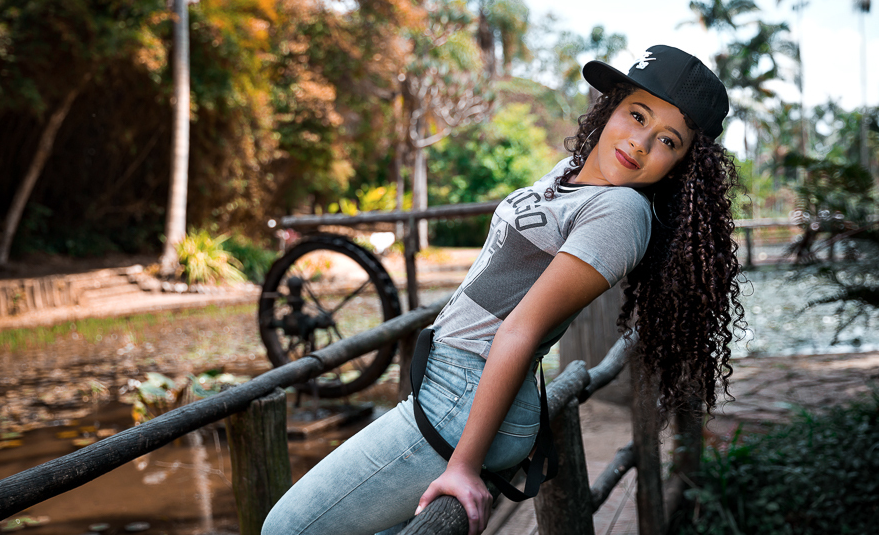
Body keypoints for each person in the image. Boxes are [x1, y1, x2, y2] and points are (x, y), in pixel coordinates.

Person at [261, 44, 745, 535]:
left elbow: (522, 329)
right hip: (454, 385)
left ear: (680, 164)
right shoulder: (570, 174)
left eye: (667, 140)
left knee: (284, 528)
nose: (640, 143)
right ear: (613, 104)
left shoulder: (619, 212)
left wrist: (463, 466)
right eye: (637, 115)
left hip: (466, 395)